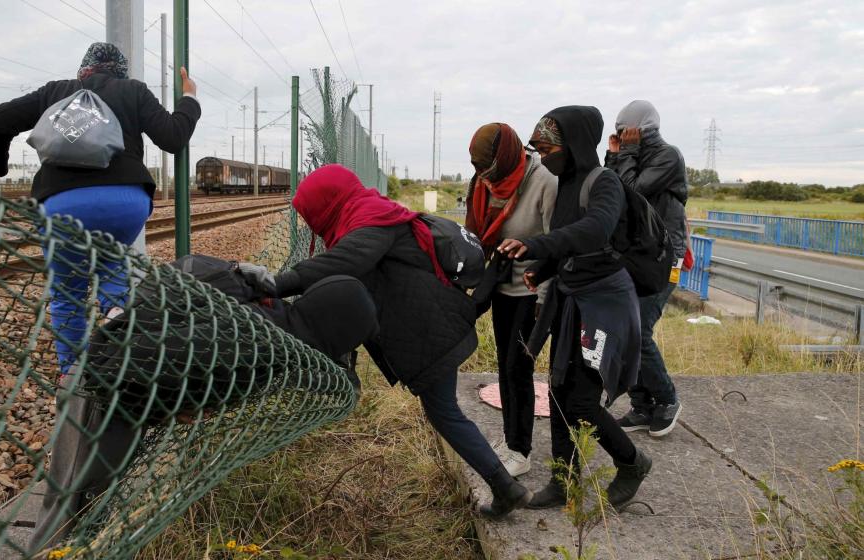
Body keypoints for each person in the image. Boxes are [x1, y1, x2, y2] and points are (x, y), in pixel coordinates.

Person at [29, 254, 379, 552]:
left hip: (115, 390)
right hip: (101, 392)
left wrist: (182, 401)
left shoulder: (273, 318)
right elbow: (133, 364)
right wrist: (175, 406)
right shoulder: (261, 349)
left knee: (86, 507)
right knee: (72, 508)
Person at [268, 164, 532, 517]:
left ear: (327, 203)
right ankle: (504, 486)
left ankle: (505, 487)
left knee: (445, 413)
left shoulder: (371, 222)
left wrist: (278, 283)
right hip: (426, 325)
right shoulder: (364, 213)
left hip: (428, 332)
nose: (309, 222)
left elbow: (346, 262)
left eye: (310, 212)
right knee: (444, 412)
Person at [0, 42, 202, 375]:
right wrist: (189, 99)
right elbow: (172, 137)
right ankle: (120, 347)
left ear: (83, 70)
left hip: (63, 205)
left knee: (68, 290)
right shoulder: (133, 91)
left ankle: (74, 377)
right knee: (113, 267)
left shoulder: (56, 92)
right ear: (121, 72)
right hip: (125, 203)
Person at [498, 106, 651, 509]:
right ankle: (564, 480)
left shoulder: (605, 184)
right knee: (561, 390)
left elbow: (594, 230)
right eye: (538, 150)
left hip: (603, 305)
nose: (543, 157)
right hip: (572, 299)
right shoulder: (565, 184)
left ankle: (632, 462)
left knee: (582, 400)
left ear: (574, 145)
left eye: (547, 149)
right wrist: (543, 269)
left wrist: (535, 246)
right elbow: (568, 240)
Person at [466, 123, 557, 476]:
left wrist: (544, 300)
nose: (485, 180)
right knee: (505, 366)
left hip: (532, 293)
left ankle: (521, 451)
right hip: (502, 287)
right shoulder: (482, 184)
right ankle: (509, 437)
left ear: (506, 159)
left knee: (520, 369)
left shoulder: (544, 181)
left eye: (489, 172)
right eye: (479, 173)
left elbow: (556, 244)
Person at [604, 100, 686, 437]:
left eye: (628, 133)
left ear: (643, 130)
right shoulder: (631, 155)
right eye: (621, 134)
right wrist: (613, 156)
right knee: (625, 330)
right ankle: (642, 405)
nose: (624, 137)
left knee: (640, 331)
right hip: (637, 255)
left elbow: (632, 191)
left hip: (665, 259)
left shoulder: (669, 156)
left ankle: (667, 399)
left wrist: (628, 152)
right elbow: (610, 191)